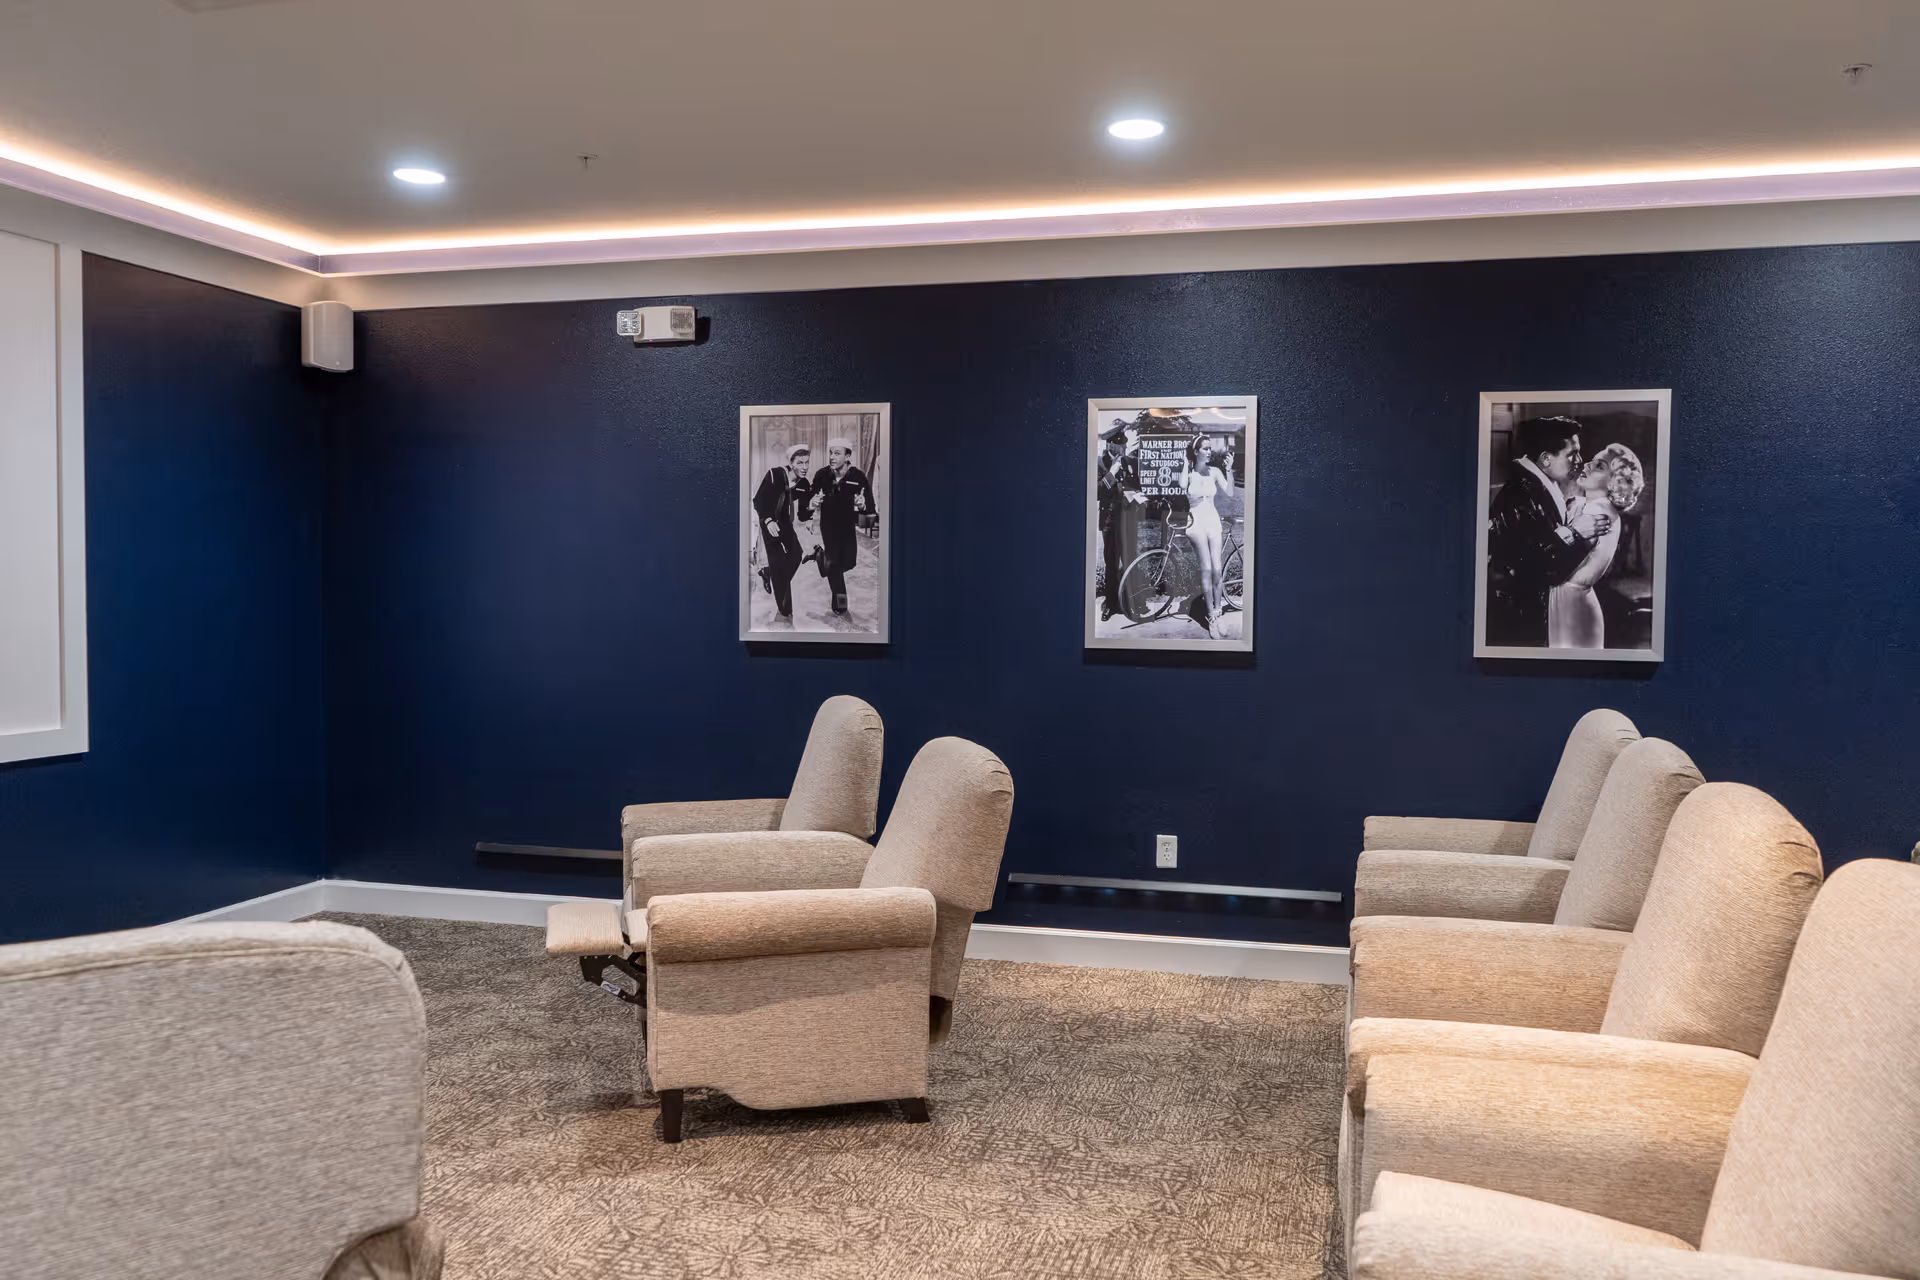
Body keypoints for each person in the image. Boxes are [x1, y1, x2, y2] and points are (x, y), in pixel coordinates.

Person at [1486, 415, 1613, 647]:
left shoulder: (1538, 483)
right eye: (1571, 454)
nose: (1579, 460)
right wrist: (1574, 532)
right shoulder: (1520, 494)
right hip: (1520, 620)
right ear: (1545, 459)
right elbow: (1536, 568)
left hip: (1537, 611)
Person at [1548, 442, 1645, 649]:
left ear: (1614, 483)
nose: (1587, 465)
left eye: (1599, 466)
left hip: (1571, 609)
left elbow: (1557, 564)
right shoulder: (1596, 507)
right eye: (1592, 460)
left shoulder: (1596, 512)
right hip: (1575, 602)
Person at [808, 437, 872, 616]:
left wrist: (862, 506)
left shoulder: (857, 477)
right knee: (835, 565)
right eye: (830, 453)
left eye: (837, 453)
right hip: (828, 526)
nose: (832, 457)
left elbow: (870, 508)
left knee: (849, 562)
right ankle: (841, 604)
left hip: (847, 527)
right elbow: (809, 500)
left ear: (848, 455)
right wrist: (812, 502)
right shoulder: (822, 475)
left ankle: (821, 558)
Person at [752, 443, 814, 621]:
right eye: (800, 463)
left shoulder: (804, 484)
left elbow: (802, 514)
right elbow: (758, 501)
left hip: (785, 523)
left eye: (807, 463)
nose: (804, 467)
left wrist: (811, 506)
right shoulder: (775, 474)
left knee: (796, 555)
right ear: (791, 463)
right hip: (769, 521)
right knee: (778, 560)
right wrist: (768, 520)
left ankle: (769, 573)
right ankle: (785, 609)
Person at [1179, 434, 1235, 632]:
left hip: (1212, 521)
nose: (1209, 451)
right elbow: (1181, 485)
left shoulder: (1215, 471)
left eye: (1210, 448)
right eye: (1205, 448)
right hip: (1195, 523)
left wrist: (1229, 471)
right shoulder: (1190, 473)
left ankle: (1218, 613)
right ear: (1196, 452)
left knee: (1217, 569)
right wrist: (1186, 463)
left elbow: (1229, 492)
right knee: (1206, 569)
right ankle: (1211, 616)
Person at [1097, 424, 1147, 620]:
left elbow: (1136, 485)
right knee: (1111, 562)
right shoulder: (1100, 463)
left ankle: (1130, 601)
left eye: (1125, 446)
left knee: (1129, 560)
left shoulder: (1128, 462)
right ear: (1111, 445)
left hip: (1127, 518)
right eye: (1121, 446)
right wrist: (1113, 471)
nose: (1124, 450)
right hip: (1109, 520)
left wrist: (1138, 495)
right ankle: (1110, 604)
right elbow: (1098, 492)